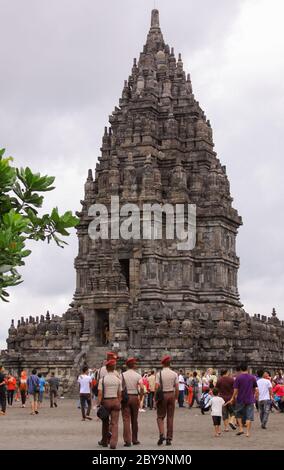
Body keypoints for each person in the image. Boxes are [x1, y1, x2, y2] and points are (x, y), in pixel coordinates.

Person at [227, 363, 259, 437]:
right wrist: (256, 395)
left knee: (239, 414)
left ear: (241, 369)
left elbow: (235, 389)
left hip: (240, 399)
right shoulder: (252, 377)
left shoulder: (238, 378)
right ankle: (247, 432)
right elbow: (255, 388)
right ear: (247, 369)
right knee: (249, 416)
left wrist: (232, 397)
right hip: (250, 399)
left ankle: (241, 429)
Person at [98, 358, 121, 449]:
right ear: (114, 368)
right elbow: (120, 393)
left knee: (105, 423)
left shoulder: (102, 380)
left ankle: (104, 441)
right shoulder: (118, 380)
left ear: (107, 368)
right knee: (114, 423)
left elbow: (100, 394)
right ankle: (113, 443)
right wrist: (119, 402)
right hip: (115, 401)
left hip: (106, 402)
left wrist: (99, 404)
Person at [155, 356, 179, 446]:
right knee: (170, 417)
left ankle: (162, 434)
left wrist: (155, 399)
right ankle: (169, 438)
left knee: (160, 416)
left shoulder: (159, 374)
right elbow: (177, 387)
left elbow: (156, 387)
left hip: (162, 395)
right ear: (170, 364)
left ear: (162, 364)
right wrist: (176, 398)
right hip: (171, 395)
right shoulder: (174, 374)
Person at [121, 357, 143, 447]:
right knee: (135, 419)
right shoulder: (138, 375)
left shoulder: (122, 375)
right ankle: (135, 439)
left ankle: (127, 440)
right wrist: (140, 397)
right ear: (133, 365)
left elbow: (121, 388)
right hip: (134, 397)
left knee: (126, 419)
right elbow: (141, 387)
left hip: (126, 398)